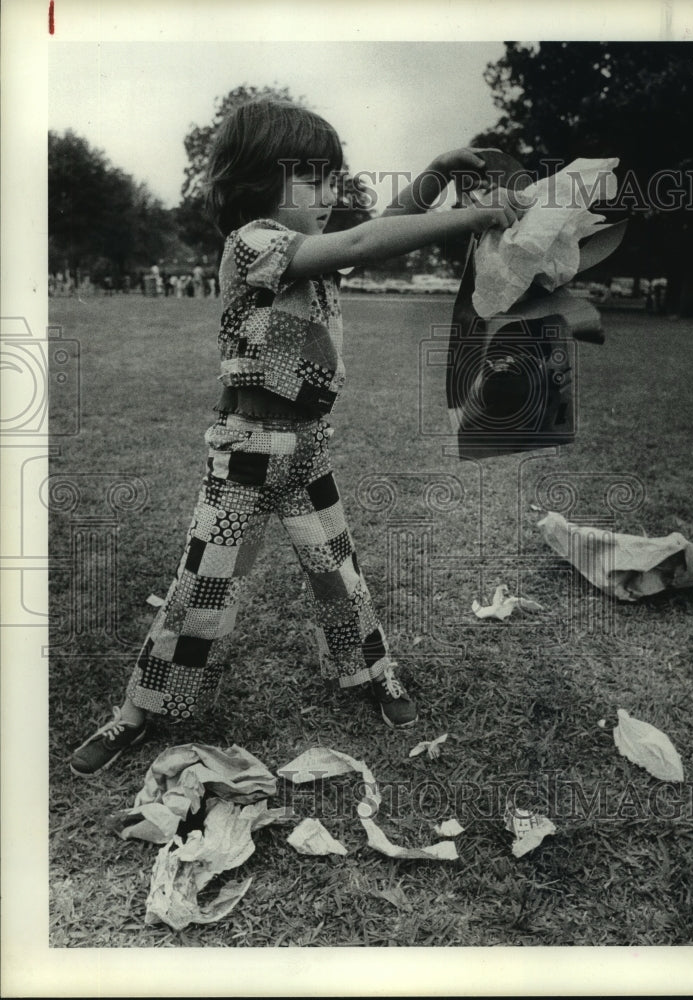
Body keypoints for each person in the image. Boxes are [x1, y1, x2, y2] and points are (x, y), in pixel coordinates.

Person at [69, 98, 519, 776]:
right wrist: (479, 215)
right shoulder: (256, 244)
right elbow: (365, 242)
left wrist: (434, 174)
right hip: (247, 452)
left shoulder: (310, 255)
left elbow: (376, 230)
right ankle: (139, 710)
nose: (330, 191)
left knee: (340, 578)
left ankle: (373, 674)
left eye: (333, 176)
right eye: (311, 176)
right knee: (204, 588)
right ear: (257, 180)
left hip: (308, 447)